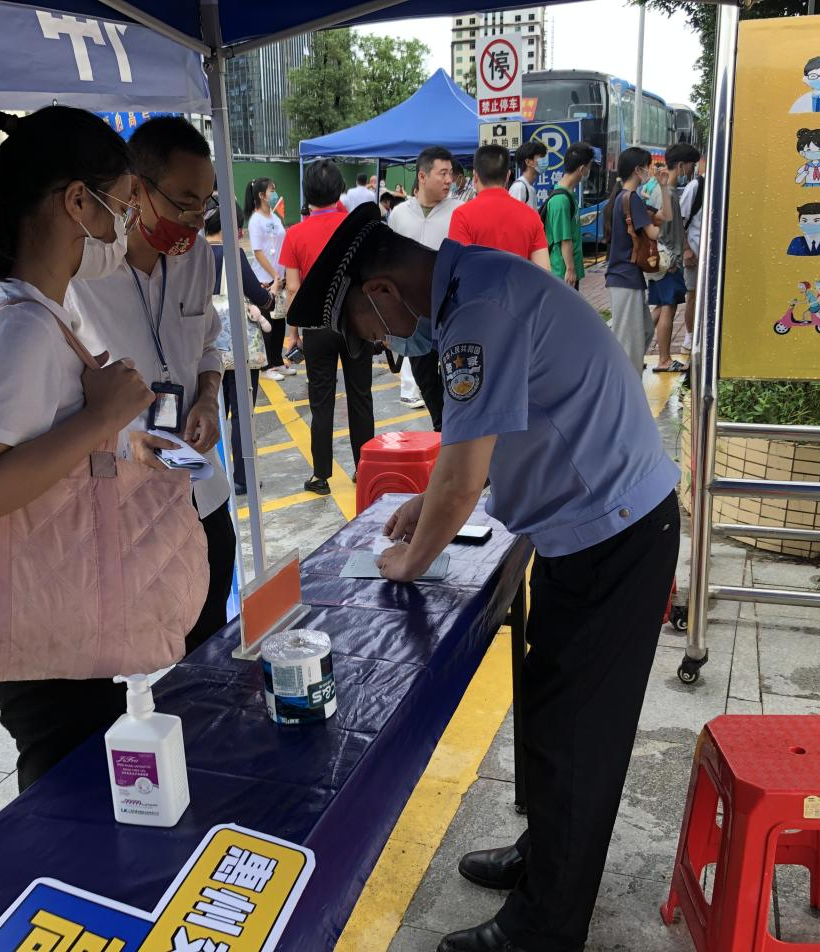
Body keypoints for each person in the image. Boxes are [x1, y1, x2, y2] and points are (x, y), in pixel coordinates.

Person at [286, 202, 680, 952]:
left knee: (576, 738)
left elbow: (463, 480)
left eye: (370, 331)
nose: (384, 343)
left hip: (613, 535)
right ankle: (545, 858)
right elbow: (482, 437)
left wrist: (411, 559)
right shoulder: (479, 284)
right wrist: (423, 506)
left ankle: (544, 929)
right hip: (591, 529)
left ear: (381, 290)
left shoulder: (475, 314)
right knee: (553, 709)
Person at [0, 107, 168, 792]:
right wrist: (103, 419)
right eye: (122, 205)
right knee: (67, 794)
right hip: (42, 625)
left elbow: (37, 446)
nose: (125, 228)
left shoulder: (39, 311)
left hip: (58, 602)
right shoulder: (21, 324)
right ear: (77, 203)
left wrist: (119, 437)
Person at [66, 115, 232, 654]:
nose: (195, 220)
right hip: (124, 504)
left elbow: (208, 343)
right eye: (184, 202)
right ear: (135, 190)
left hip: (201, 490)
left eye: (204, 204)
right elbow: (60, 400)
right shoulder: (78, 275)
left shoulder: (197, 258)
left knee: (212, 642)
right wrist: (124, 438)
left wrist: (208, 395)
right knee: (142, 659)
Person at [279, 158, 374, 495]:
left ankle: (320, 475)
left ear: (307, 192)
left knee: (321, 401)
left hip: (317, 326)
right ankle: (365, 469)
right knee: (360, 396)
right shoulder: (357, 228)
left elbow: (292, 289)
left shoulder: (295, 234)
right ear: (340, 191)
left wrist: (293, 334)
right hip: (356, 323)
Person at [387, 145, 461, 431]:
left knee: (458, 375)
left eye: (450, 173)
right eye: (442, 173)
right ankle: (442, 428)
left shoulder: (459, 212)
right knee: (425, 377)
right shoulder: (399, 215)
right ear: (422, 176)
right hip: (414, 315)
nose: (449, 180)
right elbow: (390, 266)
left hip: (451, 310)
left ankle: (456, 432)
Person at [205, 208, 274, 496]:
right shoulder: (232, 255)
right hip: (238, 348)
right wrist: (269, 296)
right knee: (242, 415)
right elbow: (259, 296)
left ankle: (213, 475)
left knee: (213, 411)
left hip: (206, 349)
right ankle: (243, 478)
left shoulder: (194, 255)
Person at [604, 147, 670, 373]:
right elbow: (654, 232)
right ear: (637, 169)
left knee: (643, 332)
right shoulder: (631, 199)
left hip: (627, 278)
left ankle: (627, 378)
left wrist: (663, 187)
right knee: (629, 341)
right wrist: (666, 231)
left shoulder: (625, 198)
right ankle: (627, 384)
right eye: (646, 167)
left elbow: (665, 216)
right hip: (625, 278)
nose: (648, 171)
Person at [448, 144, 549, 268]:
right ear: (507, 176)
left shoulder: (461, 215)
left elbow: (457, 268)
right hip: (520, 280)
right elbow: (544, 270)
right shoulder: (532, 217)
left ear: (475, 176)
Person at [651, 144, 699, 373]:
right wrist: (680, 252)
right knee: (668, 309)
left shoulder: (660, 191)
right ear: (680, 165)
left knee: (660, 308)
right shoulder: (668, 194)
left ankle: (633, 349)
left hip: (663, 259)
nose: (691, 170)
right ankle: (664, 359)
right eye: (690, 165)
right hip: (668, 261)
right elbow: (663, 229)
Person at [244, 176, 290, 382]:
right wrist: (274, 275)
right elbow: (258, 252)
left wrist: (283, 273)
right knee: (267, 323)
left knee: (279, 321)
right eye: (272, 191)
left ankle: (277, 361)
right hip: (265, 278)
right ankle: (266, 366)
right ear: (262, 195)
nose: (275, 194)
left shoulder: (274, 217)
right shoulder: (255, 220)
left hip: (279, 277)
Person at [542, 141, 593, 289]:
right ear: (582, 169)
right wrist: (570, 269)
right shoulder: (560, 200)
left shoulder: (569, 195)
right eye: (589, 167)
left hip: (568, 271)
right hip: (562, 273)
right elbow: (564, 239)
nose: (589, 171)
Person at [678, 154, 706, 356]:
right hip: (695, 253)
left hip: (715, 255)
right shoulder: (695, 187)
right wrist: (686, 249)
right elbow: (679, 221)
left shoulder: (725, 185)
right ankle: (690, 337)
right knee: (693, 296)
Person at [509, 141, 548, 210]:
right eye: (541, 157)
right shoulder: (519, 187)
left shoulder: (530, 188)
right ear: (528, 162)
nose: (545, 160)